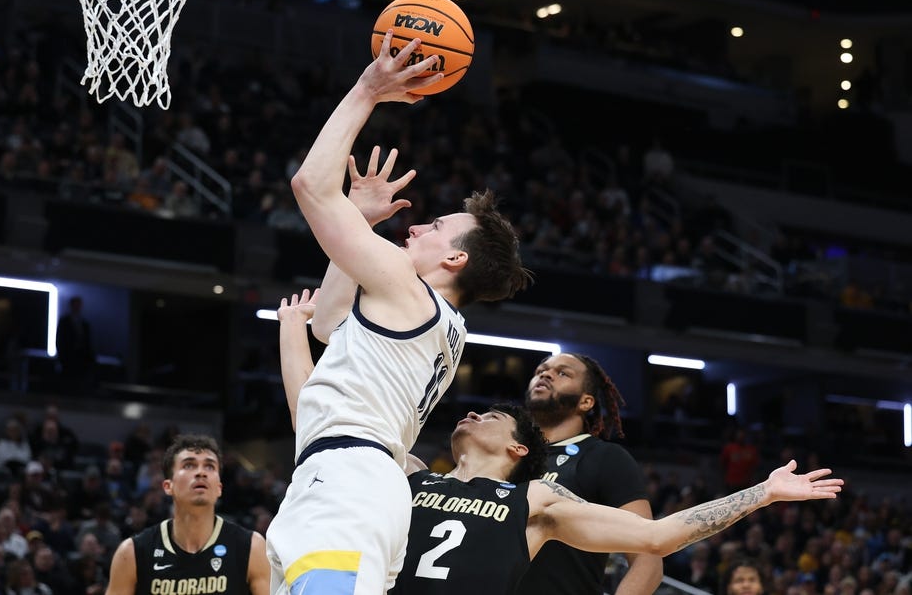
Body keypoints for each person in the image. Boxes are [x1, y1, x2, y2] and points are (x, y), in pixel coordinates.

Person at [277, 294, 844, 595]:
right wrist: (291, 330)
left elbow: (656, 537)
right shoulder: (408, 476)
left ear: (521, 448)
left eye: (493, 414)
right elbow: (321, 421)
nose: (472, 410)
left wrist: (763, 494)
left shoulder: (538, 502)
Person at [266, 35, 531, 595]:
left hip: (349, 486)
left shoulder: (408, 293)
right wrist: (358, 218)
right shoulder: (434, 320)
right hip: (355, 485)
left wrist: (369, 89)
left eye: (434, 228)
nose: (413, 226)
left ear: (455, 259)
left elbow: (311, 186)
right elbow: (326, 323)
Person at [516, 352, 663, 595]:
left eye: (563, 373)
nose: (545, 374)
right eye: (540, 370)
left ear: (586, 402)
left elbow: (647, 558)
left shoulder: (604, 457)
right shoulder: (506, 456)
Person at [104, 434, 270, 595]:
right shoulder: (132, 552)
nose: (201, 472)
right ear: (168, 486)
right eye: (189, 465)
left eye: (210, 466)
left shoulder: (251, 547)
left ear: (219, 488)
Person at [56, 296, 96, 391]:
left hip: (81, 359)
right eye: (76, 305)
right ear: (71, 306)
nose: (77, 307)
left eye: (79, 305)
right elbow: (60, 340)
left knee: (79, 385)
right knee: (68, 384)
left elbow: (88, 342)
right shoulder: (64, 322)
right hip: (68, 359)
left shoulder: (84, 324)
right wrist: (62, 357)